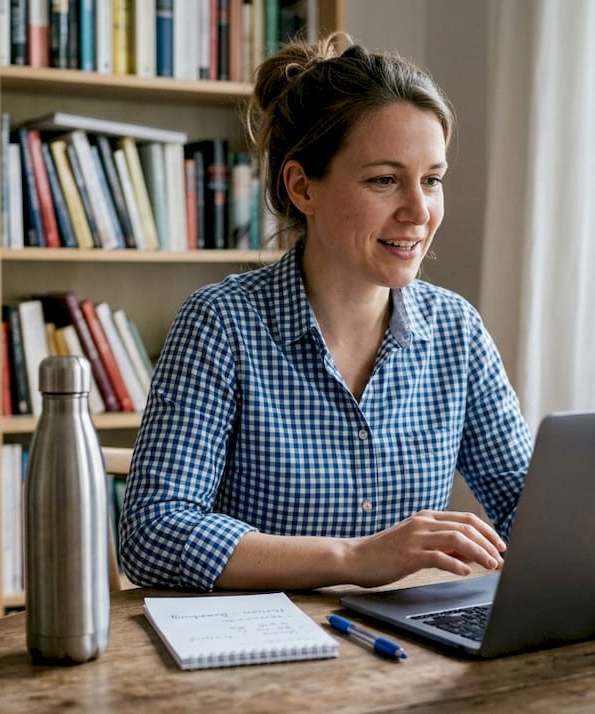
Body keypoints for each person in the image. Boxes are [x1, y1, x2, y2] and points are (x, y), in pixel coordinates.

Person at [118, 33, 532, 592]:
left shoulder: (456, 330)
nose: (419, 210)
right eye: (385, 180)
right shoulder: (222, 324)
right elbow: (153, 533)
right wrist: (352, 557)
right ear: (302, 186)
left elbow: (526, 506)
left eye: (431, 180)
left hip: (407, 654)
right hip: (258, 656)